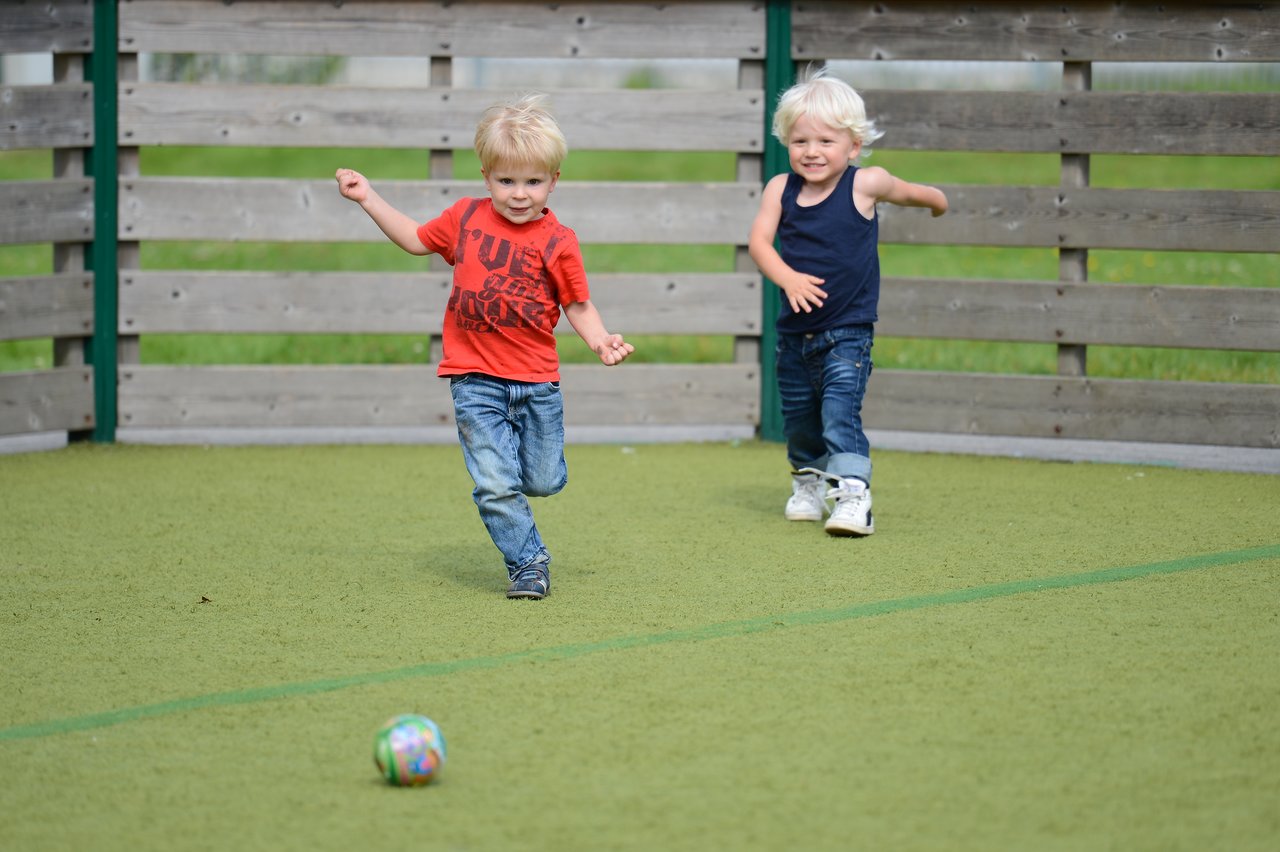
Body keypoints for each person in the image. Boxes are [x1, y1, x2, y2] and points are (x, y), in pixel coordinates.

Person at [336, 94, 633, 599]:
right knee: (495, 485)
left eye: (533, 182)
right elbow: (413, 238)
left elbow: (577, 305)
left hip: (537, 380)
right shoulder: (465, 218)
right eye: (506, 181)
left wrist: (601, 340)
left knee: (540, 481)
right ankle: (528, 562)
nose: (520, 194)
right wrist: (368, 197)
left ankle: (529, 483)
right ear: (486, 176)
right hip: (474, 379)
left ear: (554, 180)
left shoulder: (559, 240)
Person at [748, 69, 948, 537]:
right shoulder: (781, 188)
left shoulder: (865, 184)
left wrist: (937, 202)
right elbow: (759, 244)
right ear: (787, 143)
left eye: (825, 141)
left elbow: (910, 192)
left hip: (848, 332)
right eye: (800, 141)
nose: (812, 151)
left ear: (853, 146)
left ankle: (854, 493)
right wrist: (788, 277)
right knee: (798, 420)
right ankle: (808, 483)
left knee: (840, 410)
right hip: (796, 334)